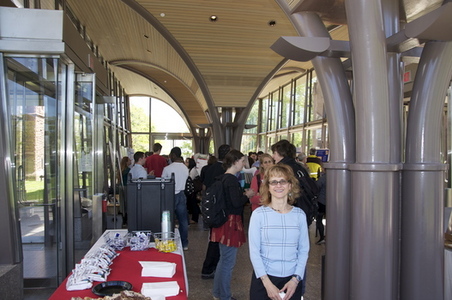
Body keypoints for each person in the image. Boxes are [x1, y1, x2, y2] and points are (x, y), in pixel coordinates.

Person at [248, 164, 309, 300]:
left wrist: (296, 279)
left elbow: (304, 250)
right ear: (268, 187)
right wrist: (267, 283)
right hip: (263, 280)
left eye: (283, 181)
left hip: (292, 281)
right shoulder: (259, 214)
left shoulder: (299, 215)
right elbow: (254, 251)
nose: (278, 185)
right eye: (274, 182)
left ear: (290, 185)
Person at [211, 149, 254, 300]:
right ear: (235, 162)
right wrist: (247, 195)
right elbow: (236, 203)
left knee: (223, 260)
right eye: (242, 160)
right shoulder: (231, 180)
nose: (244, 163)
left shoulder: (223, 178)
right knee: (228, 262)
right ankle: (225, 296)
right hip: (230, 224)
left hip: (223, 222)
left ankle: (218, 293)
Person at [200, 144, 231, 279]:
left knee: (214, 239)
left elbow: (205, 187)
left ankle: (209, 267)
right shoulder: (226, 171)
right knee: (216, 240)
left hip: (211, 207)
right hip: (220, 208)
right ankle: (209, 267)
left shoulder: (209, 168)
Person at [162, 147, 189, 250]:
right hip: (182, 194)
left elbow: (163, 182)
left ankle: (168, 240)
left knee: (168, 220)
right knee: (183, 220)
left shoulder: (167, 168)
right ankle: (184, 243)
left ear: (173, 155)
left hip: (170, 195)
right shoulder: (185, 168)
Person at [185, 157, 201, 224]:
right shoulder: (189, 169)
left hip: (193, 189)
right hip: (191, 189)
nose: (185, 163)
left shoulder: (193, 170)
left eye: (187, 162)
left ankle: (195, 218)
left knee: (193, 203)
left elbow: (190, 178)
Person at [315, 172, 326, 245]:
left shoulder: (323, 178)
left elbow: (315, 187)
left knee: (319, 220)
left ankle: (322, 237)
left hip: (322, 202)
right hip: (334, 203)